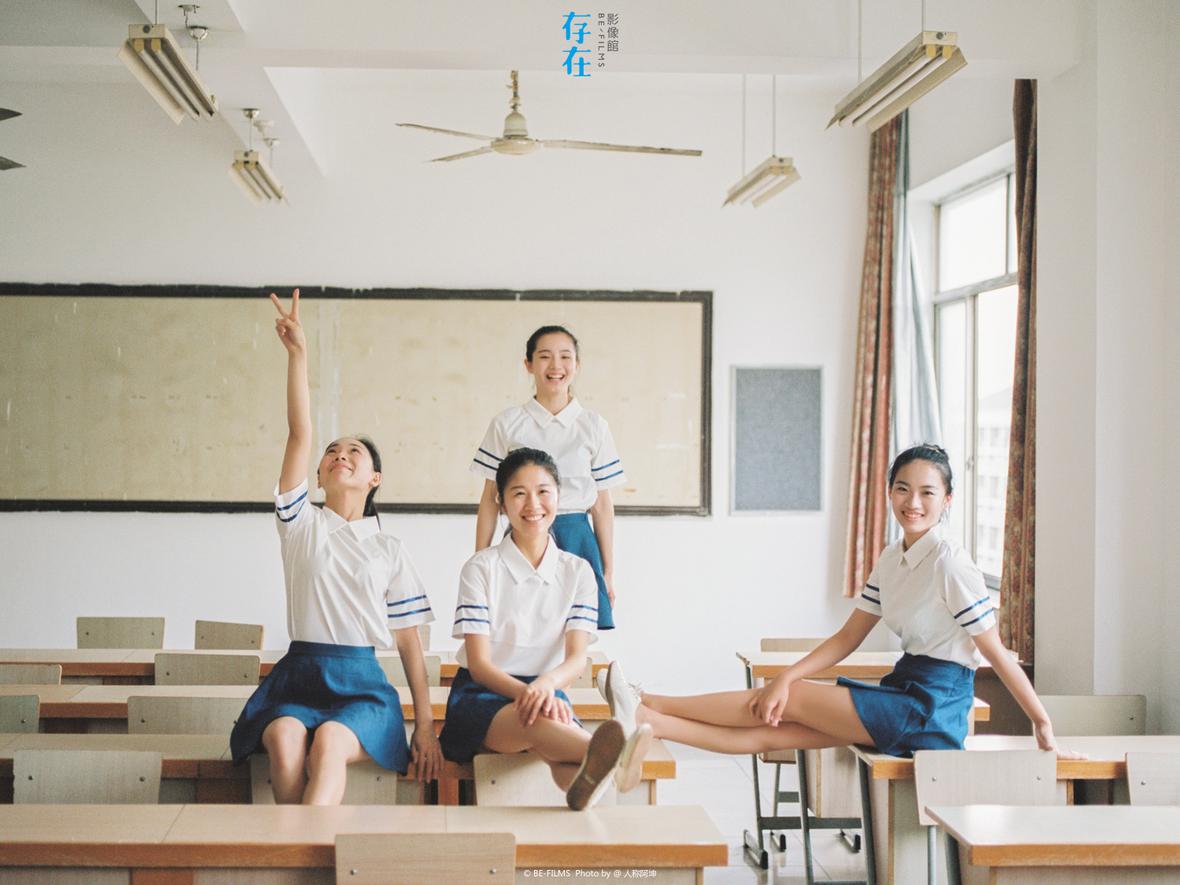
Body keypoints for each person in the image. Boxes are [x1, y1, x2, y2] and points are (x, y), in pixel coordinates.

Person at [598, 444, 1082, 761]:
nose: (913, 502)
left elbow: (994, 652)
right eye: (902, 489)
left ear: (947, 500)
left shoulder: (950, 563)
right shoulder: (893, 557)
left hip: (932, 708)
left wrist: (1042, 725)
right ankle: (648, 721)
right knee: (769, 732)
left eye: (927, 493)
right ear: (889, 492)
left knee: (781, 701)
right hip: (906, 688)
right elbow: (848, 637)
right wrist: (787, 676)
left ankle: (645, 701)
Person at [229, 288, 444, 804]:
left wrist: (425, 726)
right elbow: (299, 433)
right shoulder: (301, 523)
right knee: (285, 740)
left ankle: (299, 849)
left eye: (354, 453)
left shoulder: (389, 548)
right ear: (319, 476)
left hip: (361, 684)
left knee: (327, 743)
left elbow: (409, 644)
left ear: (375, 479)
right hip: (297, 678)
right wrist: (298, 355)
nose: (339, 455)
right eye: (332, 452)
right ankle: (300, 847)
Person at [442, 446, 651, 809]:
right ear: (501, 503)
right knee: (538, 723)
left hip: (549, 692)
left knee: (565, 761)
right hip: (483, 696)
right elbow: (479, 664)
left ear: (559, 496)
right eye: (518, 493)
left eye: (543, 491)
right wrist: (532, 692)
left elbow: (576, 659)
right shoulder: (480, 568)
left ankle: (588, 784)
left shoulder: (578, 571)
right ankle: (618, 758)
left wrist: (545, 686)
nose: (533, 504)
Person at [471, 325, 625, 629]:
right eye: (544, 356)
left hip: (576, 537)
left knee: (575, 630)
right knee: (519, 625)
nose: (556, 366)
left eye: (565, 357)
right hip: (523, 535)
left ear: (577, 365)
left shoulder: (594, 425)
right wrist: (480, 561)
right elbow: (490, 499)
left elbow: (602, 505)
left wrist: (608, 571)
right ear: (528, 364)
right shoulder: (507, 423)